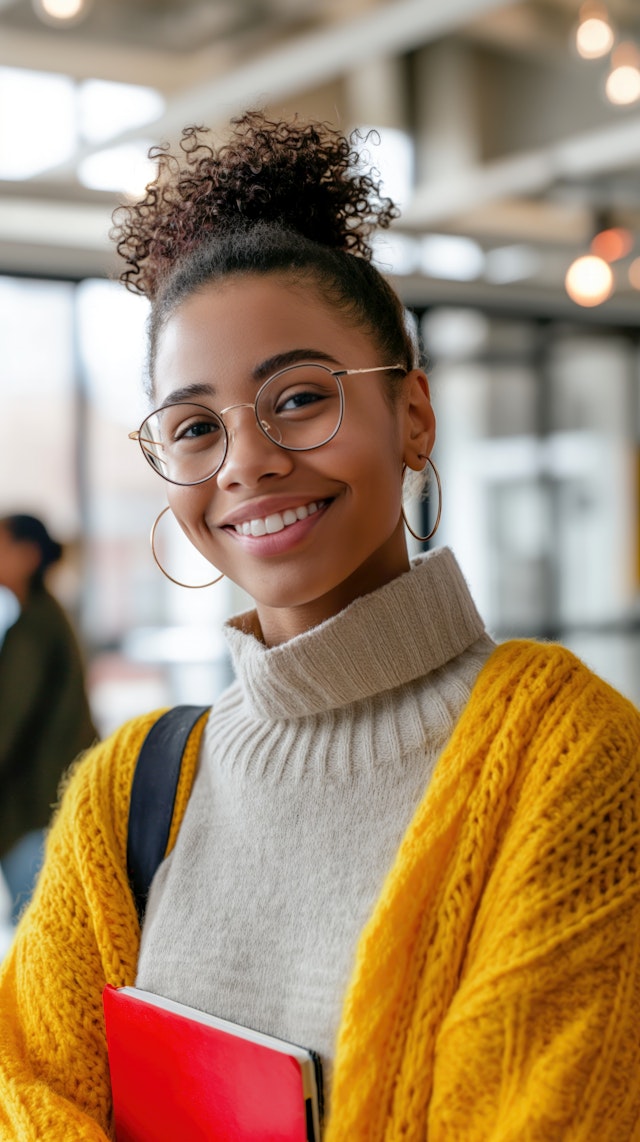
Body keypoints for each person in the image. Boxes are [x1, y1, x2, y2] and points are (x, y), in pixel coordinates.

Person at [0, 110, 639, 1141]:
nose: (245, 461)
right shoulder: (127, 792)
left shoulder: (567, 763)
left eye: (299, 397)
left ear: (413, 415)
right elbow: (24, 1083)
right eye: (197, 425)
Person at [0, 514, 97, 925]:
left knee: (37, 935)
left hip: (36, 809)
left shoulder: (34, 630)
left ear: (27, 555)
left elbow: (6, 725)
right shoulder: (44, 616)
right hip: (50, 804)